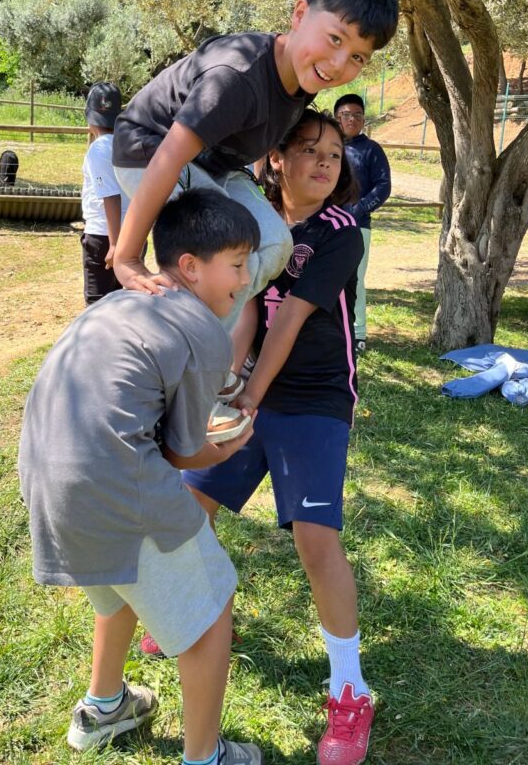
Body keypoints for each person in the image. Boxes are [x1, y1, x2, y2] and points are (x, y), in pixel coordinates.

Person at [18, 189, 264, 765]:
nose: (246, 278)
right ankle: (205, 756)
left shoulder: (115, 304)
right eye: (236, 264)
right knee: (212, 608)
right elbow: (182, 452)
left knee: (122, 581)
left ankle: (105, 707)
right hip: (115, 483)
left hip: (45, 475)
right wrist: (228, 448)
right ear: (190, 267)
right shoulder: (203, 329)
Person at [182, 109, 375, 765]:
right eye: (310, 149)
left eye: (334, 153)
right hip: (256, 388)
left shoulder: (339, 231)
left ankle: (350, 693)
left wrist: (250, 397)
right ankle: (197, 614)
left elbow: (289, 319)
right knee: (189, 505)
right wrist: (227, 382)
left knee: (315, 539)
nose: (325, 161)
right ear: (276, 159)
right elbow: (247, 312)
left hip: (315, 397)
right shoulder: (257, 224)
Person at [111, 0, 398, 332]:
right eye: (335, 39)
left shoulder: (305, 79)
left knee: (275, 244)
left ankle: (210, 337)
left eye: (358, 57)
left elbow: (261, 138)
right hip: (150, 151)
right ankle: (173, 336)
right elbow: (169, 156)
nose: (338, 64)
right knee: (218, 253)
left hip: (216, 167)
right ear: (300, 14)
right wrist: (127, 257)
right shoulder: (236, 78)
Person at [332, 93, 392, 354]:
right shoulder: (328, 146)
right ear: (337, 117)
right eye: (346, 114)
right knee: (325, 274)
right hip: (326, 223)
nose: (352, 119)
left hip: (358, 225)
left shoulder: (371, 150)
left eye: (358, 115)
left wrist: (360, 209)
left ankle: (357, 333)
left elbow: (383, 186)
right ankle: (330, 327)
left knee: (355, 277)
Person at [80, 82, 129, 305]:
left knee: (97, 304)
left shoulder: (98, 149)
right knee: (118, 302)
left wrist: (115, 245)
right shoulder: (125, 145)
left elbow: (111, 197)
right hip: (129, 231)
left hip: (103, 235)